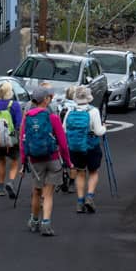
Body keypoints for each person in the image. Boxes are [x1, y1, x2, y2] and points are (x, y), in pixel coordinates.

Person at [18, 85, 71, 237]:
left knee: (36, 191)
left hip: (35, 160)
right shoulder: (52, 118)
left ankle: (34, 221)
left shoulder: (27, 118)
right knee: (48, 194)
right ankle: (46, 224)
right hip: (52, 159)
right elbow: (62, 143)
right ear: (46, 100)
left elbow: (23, 142)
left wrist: (23, 163)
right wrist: (68, 162)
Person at [63, 85, 106, 214]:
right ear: (88, 97)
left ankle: (80, 202)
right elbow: (98, 132)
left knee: (80, 173)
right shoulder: (93, 111)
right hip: (91, 146)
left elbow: (64, 128)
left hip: (75, 147)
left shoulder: (70, 111)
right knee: (93, 172)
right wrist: (104, 128)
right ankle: (90, 197)